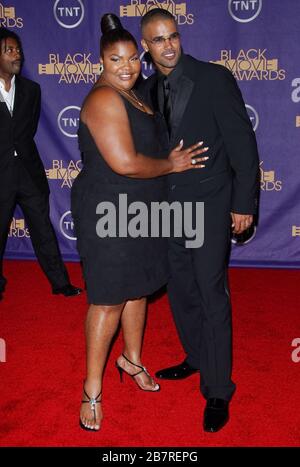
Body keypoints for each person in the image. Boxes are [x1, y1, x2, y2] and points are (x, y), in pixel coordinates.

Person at [71, 13, 209, 431]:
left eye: (133, 58)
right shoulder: (103, 99)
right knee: (110, 298)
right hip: (109, 213)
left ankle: (131, 360)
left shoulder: (134, 94)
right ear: (101, 61)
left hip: (142, 211)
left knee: (139, 290)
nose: (127, 66)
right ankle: (91, 389)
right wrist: (172, 164)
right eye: (116, 60)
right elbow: (126, 163)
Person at [138, 9, 260, 432]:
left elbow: (243, 143)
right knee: (182, 288)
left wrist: (243, 202)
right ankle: (196, 356)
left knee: (211, 294)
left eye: (172, 36)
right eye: (158, 40)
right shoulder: (147, 89)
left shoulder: (214, 78)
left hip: (210, 202)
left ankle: (219, 388)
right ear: (146, 47)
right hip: (168, 209)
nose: (168, 45)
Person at [0, 28, 81, 300]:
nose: (16, 54)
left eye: (18, 49)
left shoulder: (31, 90)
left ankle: (60, 283)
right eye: (9, 50)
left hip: (28, 172)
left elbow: (28, 129)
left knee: (43, 228)